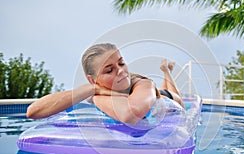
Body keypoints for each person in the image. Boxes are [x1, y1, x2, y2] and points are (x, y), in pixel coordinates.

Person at [26, 43, 184, 124]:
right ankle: (166, 72)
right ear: (92, 79)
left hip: (165, 98)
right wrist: (92, 89)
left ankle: (167, 71)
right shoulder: (94, 89)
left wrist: (99, 95)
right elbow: (32, 112)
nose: (121, 71)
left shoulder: (143, 83)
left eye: (121, 63)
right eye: (109, 71)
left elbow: (132, 114)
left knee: (175, 94)